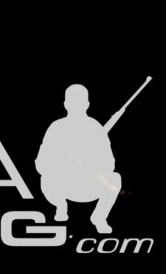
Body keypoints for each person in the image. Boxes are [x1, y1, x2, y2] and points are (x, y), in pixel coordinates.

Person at [39, 83, 125, 233]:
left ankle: (99, 217)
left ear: (87, 104)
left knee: (115, 179)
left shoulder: (96, 128)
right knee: (45, 178)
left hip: (89, 185)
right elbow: (41, 164)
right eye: (73, 102)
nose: (76, 106)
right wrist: (63, 164)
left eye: (78, 102)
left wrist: (90, 162)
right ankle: (60, 206)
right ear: (66, 104)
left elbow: (110, 165)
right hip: (62, 185)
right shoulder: (56, 127)